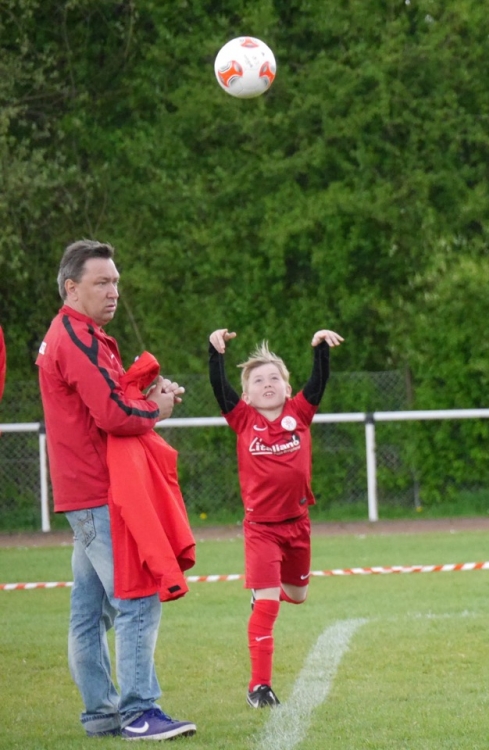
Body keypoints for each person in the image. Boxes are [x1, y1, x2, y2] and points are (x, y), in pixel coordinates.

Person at [36, 240, 196, 740]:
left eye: (116, 282)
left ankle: (101, 713)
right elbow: (112, 415)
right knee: (137, 598)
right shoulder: (75, 338)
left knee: (90, 611)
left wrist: (146, 395)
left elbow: (104, 403)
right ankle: (139, 711)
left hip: (86, 491)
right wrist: (156, 409)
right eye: (102, 282)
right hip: (100, 491)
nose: (113, 292)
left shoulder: (77, 334)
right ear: (72, 288)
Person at [208, 326, 343, 708]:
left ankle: (266, 590)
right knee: (268, 606)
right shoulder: (243, 419)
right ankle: (259, 687)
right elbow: (219, 387)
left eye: (274, 378)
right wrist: (215, 354)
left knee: (297, 596)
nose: (267, 384)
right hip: (261, 529)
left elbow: (318, 382)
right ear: (247, 395)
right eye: (258, 380)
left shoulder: (299, 413)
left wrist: (320, 349)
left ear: (287, 388)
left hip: (298, 524)